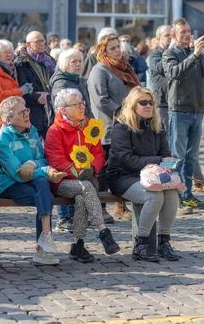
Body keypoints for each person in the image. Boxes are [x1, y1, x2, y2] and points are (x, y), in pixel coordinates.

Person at [45, 89, 120, 261]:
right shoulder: (55, 131)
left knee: (82, 197)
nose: (82, 107)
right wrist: (80, 174)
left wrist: (92, 169)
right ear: (63, 110)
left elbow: (99, 154)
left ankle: (78, 245)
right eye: (76, 104)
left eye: (82, 103)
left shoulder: (89, 126)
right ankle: (103, 231)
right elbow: (57, 162)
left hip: (87, 179)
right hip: (61, 182)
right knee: (85, 188)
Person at [0, 96, 66, 265]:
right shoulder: (1, 141)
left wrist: (32, 164)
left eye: (26, 110)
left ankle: (45, 239)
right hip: (7, 184)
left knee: (42, 186)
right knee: (46, 195)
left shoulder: (31, 130)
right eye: (21, 112)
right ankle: (43, 246)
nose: (26, 115)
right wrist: (45, 171)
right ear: (8, 119)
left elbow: (42, 159)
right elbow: (18, 174)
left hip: (33, 180)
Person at [108, 87, 180, 262]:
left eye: (151, 103)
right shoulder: (121, 128)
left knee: (171, 193)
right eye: (143, 103)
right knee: (154, 197)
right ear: (133, 105)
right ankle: (141, 244)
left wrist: (169, 163)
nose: (148, 106)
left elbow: (165, 152)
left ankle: (164, 241)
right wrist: (158, 160)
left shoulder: (157, 126)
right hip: (123, 176)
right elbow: (126, 159)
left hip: (152, 175)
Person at [163, 18, 204, 211]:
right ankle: (175, 198)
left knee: (191, 158)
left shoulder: (195, 54)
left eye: (189, 31)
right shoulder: (169, 54)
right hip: (179, 111)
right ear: (174, 36)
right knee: (178, 157)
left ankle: (188, 195)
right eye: (183, 32)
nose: (188, 34)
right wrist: (194, 55)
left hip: (198, 110)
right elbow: (175, 73)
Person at [88, 33, 141, 221]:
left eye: (118, 46)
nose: (118, 50)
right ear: (104, 51)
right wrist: (122, 112)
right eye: (113, 48)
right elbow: (101, 100)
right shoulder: (99, 70)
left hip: (127, 125)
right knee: (102, 168)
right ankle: (100, 207)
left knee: (123, 166)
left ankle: (121, 204)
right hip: (106, 126)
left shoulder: (125, 67)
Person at [49, 49, 94, 229]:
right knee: (67, 169)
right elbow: (63, 110)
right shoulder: (61, 82)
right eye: (73, 61)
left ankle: (75, 215)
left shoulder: (78, 80)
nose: (78, 64)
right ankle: (64, 216)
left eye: (79, 61)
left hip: (80, 129)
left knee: (79, 169)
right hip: (66, 130)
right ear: (64, 64)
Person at [0, 39, 32, 144]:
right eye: (5, 52)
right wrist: (20, 91)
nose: (9, 55)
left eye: (10, 52)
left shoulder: (10, 68)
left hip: (9, 113)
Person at [17, 31, 56, 138]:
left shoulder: (49, 60)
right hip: (33, 110)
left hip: (50, 107)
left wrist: (49, 95)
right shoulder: (22, 63)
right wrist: (37, 96)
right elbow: (22, 86)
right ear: (28, 44)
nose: (41, 44)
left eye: (43, 41)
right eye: (37, 42)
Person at [146, 25, 172, 135]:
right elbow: (161, 68)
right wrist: (171, 51)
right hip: (162, 103)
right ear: (158, 39)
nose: (170, 38)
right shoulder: (154, 55)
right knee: (164, 137)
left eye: (172, 35)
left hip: (177, 102)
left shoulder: (177, 53)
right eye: (167, 35)